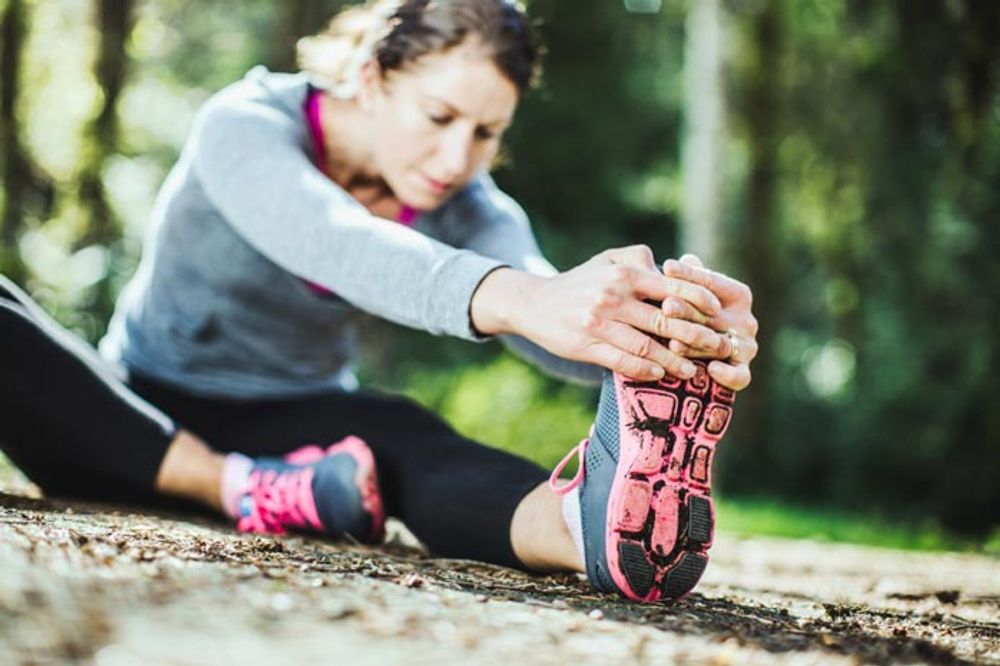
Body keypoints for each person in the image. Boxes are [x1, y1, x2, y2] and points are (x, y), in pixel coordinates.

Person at [0, 0, 757, 603]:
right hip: (129, 415)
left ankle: (584, 527)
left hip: (306, 441)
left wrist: (667, 337)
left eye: (486, 132)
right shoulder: (246, 125)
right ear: (370, 76)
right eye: (439, 117)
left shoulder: (471, 206)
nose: (457, 157)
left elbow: (548, 318)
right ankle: (235, 487)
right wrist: (518, 296)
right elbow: (337, 240)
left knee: (399, 431)